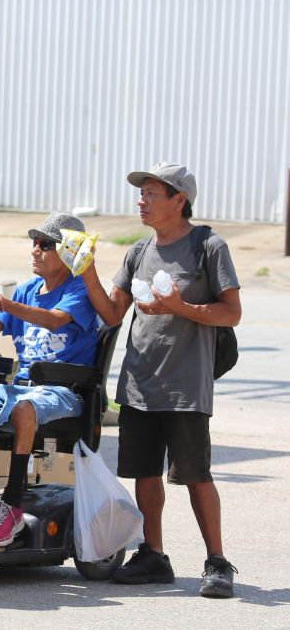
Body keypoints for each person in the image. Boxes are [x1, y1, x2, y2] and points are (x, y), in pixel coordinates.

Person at [80, 162, 241, 598]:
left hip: (186, 385)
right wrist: (87, 270)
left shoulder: (208, 246)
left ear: (178, 200)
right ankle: (154, 554)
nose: (141, 200)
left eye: (151, 193)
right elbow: (113, 313)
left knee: (195, 474)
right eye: (141, 193)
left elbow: (232, 312)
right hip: (139, 382)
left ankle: (217, 562)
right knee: (144, 473)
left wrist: (181, 308)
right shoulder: (137, 251)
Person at [0, 211, 98, 548]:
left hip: (63, 390)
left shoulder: (79, 290)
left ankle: (13, 505)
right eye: (34, 243)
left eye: (45, 244)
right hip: (21, 386)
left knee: (24, 408)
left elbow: (53, 321)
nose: (35, 250)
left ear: (67, 253)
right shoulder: (27, 289)